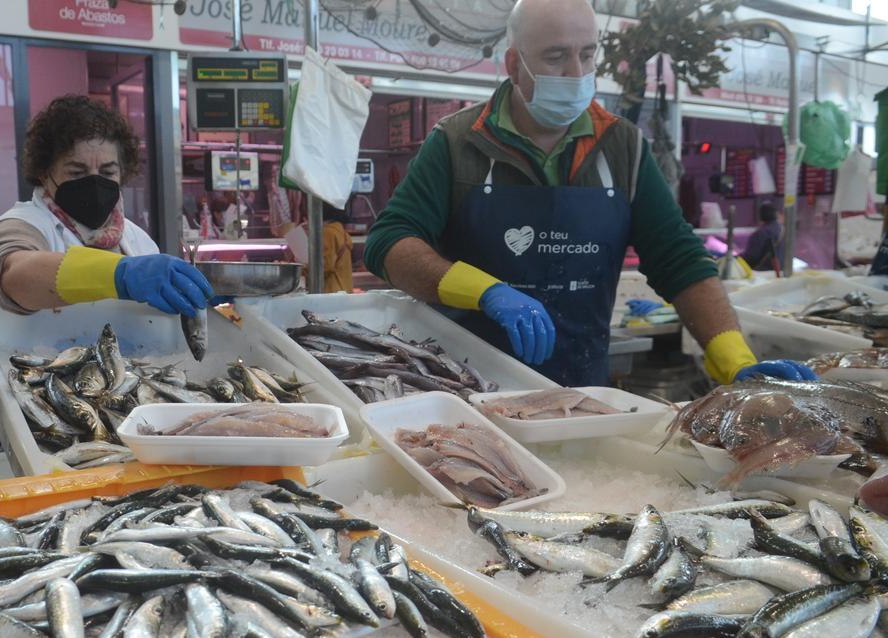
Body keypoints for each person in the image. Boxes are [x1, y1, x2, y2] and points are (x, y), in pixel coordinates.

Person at [363, 0, 815, 387]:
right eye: (557, 56)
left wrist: (734, 357)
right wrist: (484, 290)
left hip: (581, 392)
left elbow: (677, 258)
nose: (576, 72)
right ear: (514, 64)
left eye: (587, 54)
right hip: (461, 386)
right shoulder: (456, 141)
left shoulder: (624, 146)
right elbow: (389, 241)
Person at [0, 95, 213, 316]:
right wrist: (119, 275)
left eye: (108, 172)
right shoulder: (23, 223)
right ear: (44, 174)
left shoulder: (136, 239)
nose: (94, 182)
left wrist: (197, 295)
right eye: (77, 172)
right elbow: (13, 274)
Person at [318, 202, 354, 293]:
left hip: (331, 292)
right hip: (345, 289)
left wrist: (301, 268)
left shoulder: (327, 232)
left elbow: (325, 266)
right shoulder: (342, 231)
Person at [740, 203, 785, 272]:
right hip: (781, 271)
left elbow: (751, 257)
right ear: (776, 214)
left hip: (764, 273)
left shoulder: (761, 233)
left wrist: (736, 259)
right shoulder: (783, 230)